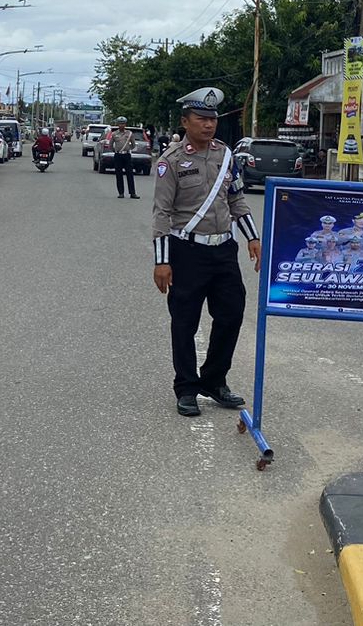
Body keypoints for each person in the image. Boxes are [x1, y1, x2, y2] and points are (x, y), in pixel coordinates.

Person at [151, 87, 261, 417]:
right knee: (184, 321)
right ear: (185, 122)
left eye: (212, 119)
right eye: (201, 118)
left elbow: (236, 199)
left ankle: (214, 380)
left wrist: (253, 237)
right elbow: (162, 213)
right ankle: (186, 387)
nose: (209, 124)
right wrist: (162, 261)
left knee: (232, 314)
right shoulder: (170, 161)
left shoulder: (225, 155)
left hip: (223, 250)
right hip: (187, 251)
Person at [108, 117, 139, 199]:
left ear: (125, 124)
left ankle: (132, 193)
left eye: (123, 123)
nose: (121, 125)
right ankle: (121, 193)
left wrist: (128, 149)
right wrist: (116, 151)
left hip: (127, 155)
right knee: (119, 174)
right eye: (120, 123)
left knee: (130, 174)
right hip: (118, 155)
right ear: (118, 124)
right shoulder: (114, 134)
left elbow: (133, 145)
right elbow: (110, 146)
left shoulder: (129, 134)